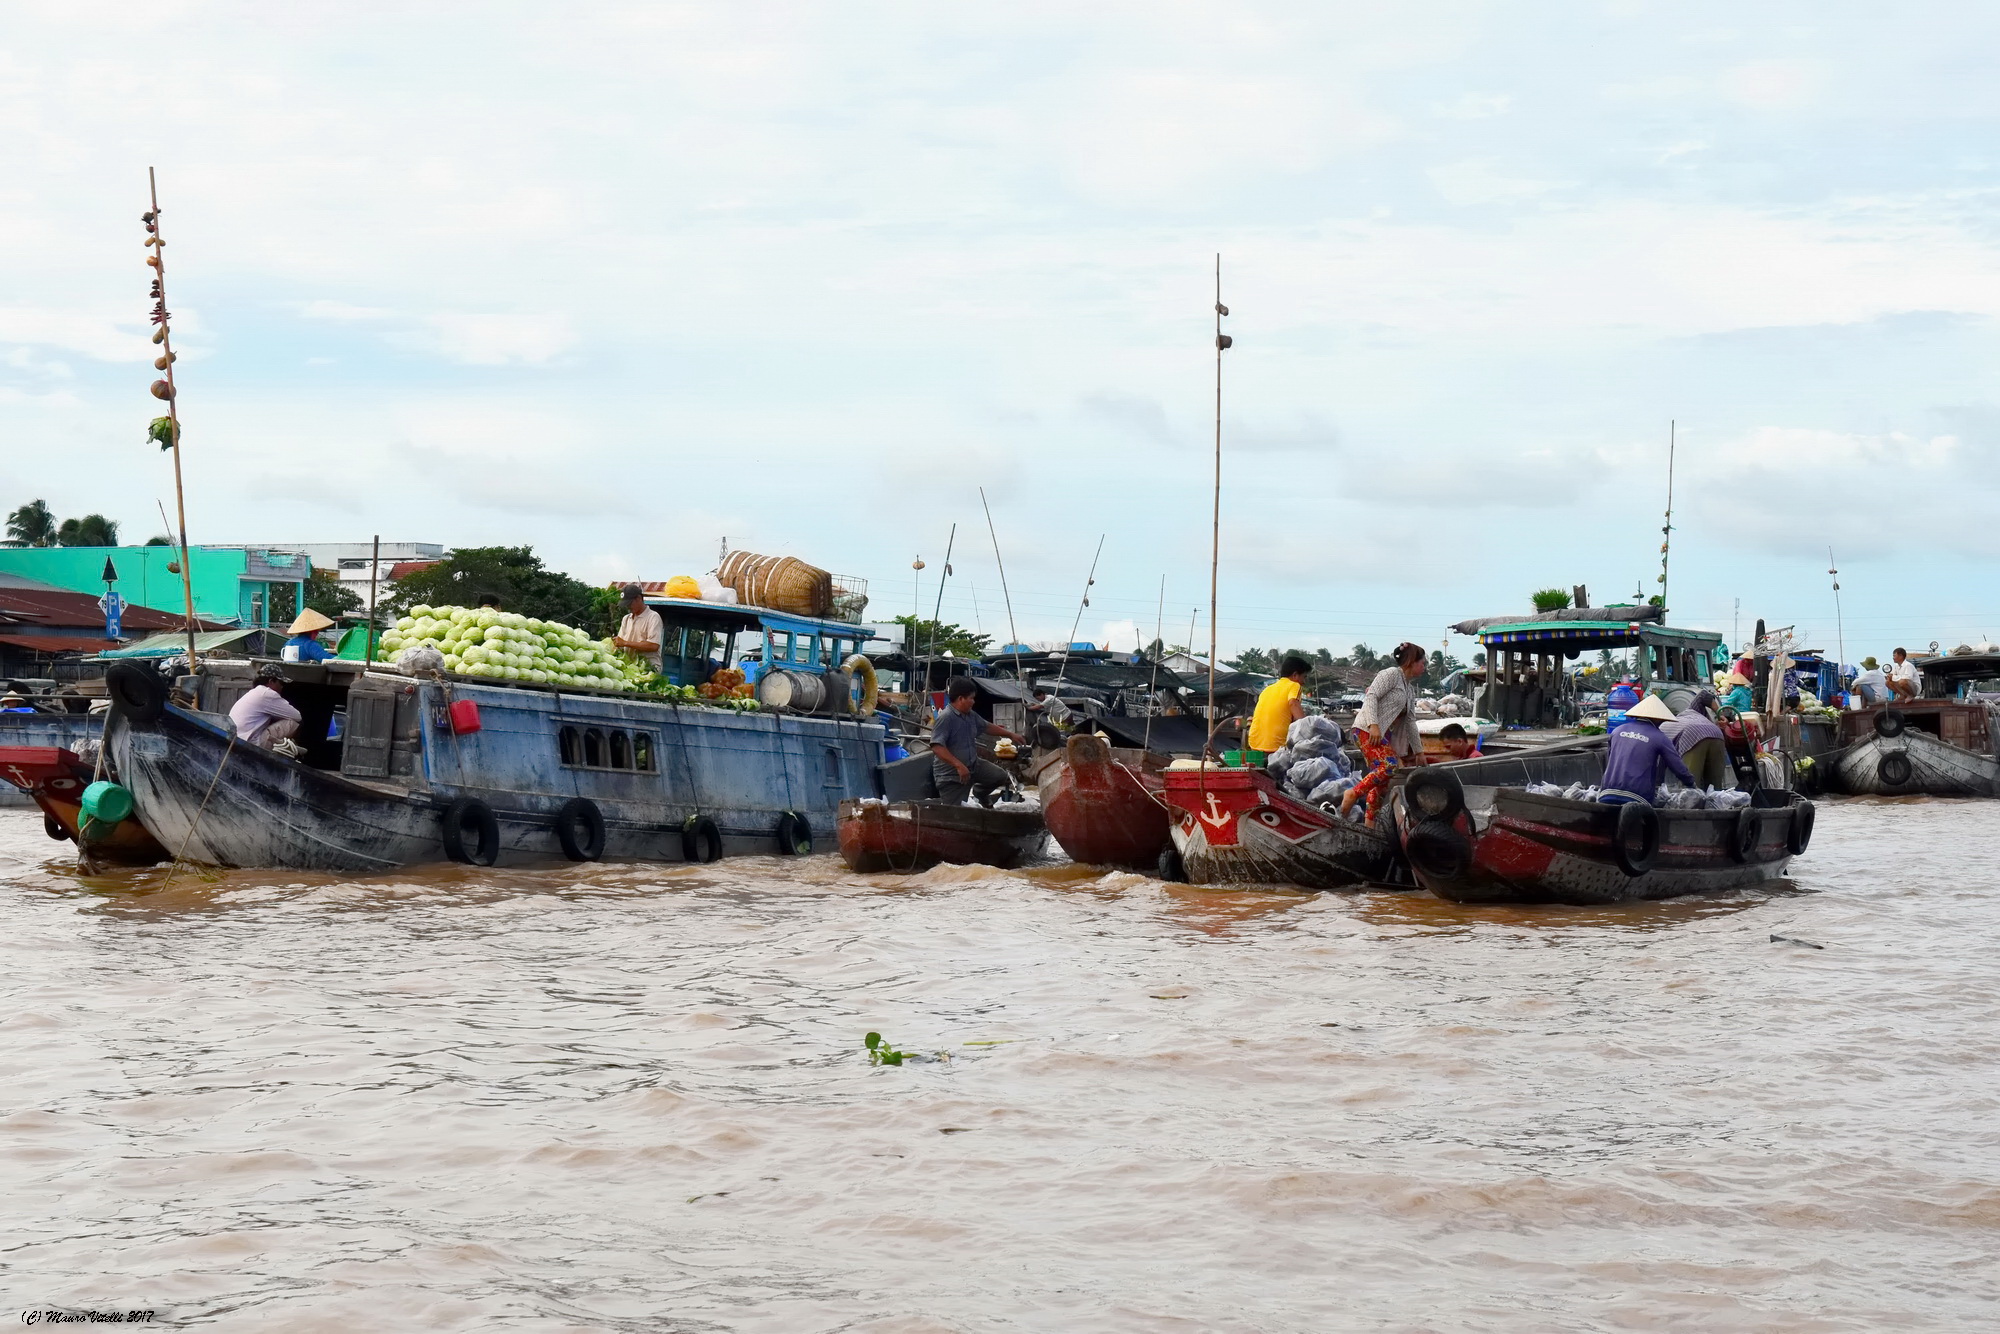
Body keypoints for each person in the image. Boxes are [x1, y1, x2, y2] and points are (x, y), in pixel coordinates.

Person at [1341, 643, 1426, 824]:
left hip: (1381, 735)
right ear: (1412, 662)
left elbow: (1410, 722)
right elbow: (1371, 696)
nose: (1424, 667)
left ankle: (1369, 825)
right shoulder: (1391, 674)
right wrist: (1374, 725)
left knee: (1381, 784)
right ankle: (1352, 794)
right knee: (1389, 765)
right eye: (1422, 663)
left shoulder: (1409, 690)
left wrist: (1419, 752)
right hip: (1366, 729)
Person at [931, 676, 1025, 805]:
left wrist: (1010, 734)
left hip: (973, 765)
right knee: (955, 814)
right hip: (951, 775)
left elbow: (986, 726)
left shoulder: (970, 715)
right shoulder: (946, 718)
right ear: (960, 698)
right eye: (971, 698)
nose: (973, 702)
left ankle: (979, 792)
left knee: (999, 776)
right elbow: (937, 747)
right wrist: (958, 765)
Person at [1597, 693, 1696, 805]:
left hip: (1606, 793)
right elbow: (1678, 767)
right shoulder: (1659, 737)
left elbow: (1611, 760)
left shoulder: (1617, 731)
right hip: (1638, 797)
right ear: (1657, 718)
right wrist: (1691, 784)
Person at [1661, 689, 1735, 790]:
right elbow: (1704, 694)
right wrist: (1720, 715)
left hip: (1692, 735)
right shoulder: (1693, 711)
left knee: (1691, 790)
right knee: (1714, 789)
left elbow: (1661, 767)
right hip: (1716, 733)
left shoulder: (1661, 728)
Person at [1246, 654, 1311, 764]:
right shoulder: (1294, 685)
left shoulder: (1267, 689)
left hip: (1255, 744)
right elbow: (1293, 704)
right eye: (1304, 677)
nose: (1304, 682)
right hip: (1277, 747)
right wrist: (1308, 729)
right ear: (1295, 675)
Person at [228, 664, 303, 751]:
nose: (282, 687)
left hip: (235, 740)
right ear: (271, 681)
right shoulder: (267, 694)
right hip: (251, 743)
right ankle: (289, 751)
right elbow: (297, 716)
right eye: (281, 683)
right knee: (293, 723)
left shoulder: (254, 692)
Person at [612, 583, 665, 672]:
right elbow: (620, 643)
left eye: (630, 603)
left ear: (639, 598)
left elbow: (653, 645)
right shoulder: (626, 619)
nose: (628, 607)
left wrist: (625, 643)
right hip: (631, 667)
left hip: (649, 668)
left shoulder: (653, 617)